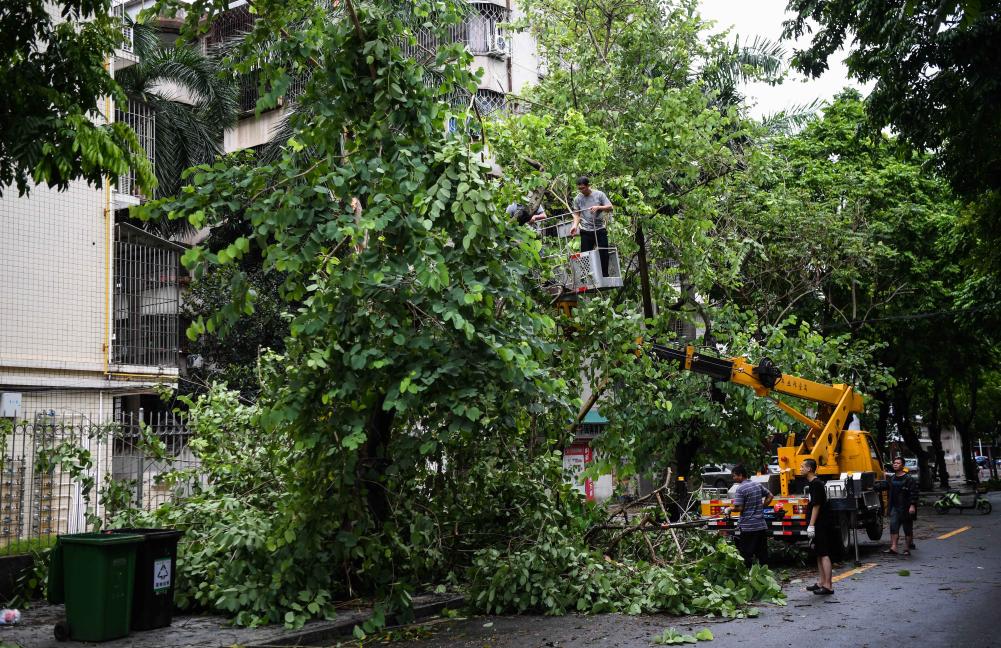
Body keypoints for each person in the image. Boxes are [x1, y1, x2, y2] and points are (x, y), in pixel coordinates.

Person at [724, 464, 773, 567]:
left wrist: (729, 509)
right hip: (760, 525)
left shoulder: (741, 488)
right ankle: (765, 575)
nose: (733, 478)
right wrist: (762, 506)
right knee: (762, 553)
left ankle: (748, 577)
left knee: (746, 554)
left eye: (734, 476)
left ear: (740, 475)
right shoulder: (757, 484)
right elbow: (770, 496)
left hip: (748, 527)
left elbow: (740, 508)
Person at [569, 176, 613, 277]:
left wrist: (599, 207)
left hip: (599, 228)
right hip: (586, 230)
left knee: (603, 252)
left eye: (583, 188)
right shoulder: (578, 199)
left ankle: (604, 275)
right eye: (579, 188)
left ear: (588, 186)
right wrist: (574, 226)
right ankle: (587, 276)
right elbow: (577, 214)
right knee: (585, 255)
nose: (581, 190)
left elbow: (610, 207)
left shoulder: (599, 194)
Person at [803, 458, 834, 595]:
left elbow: (816, 505)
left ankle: (828, 585)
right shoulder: (812, 483)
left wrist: (811, 525)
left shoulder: (816, 484)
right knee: (818, 553)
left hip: (820, 524)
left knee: (824, 553)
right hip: (817, 524)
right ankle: (821, 582)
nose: (800, 468)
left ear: (809, 469)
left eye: (802, 466)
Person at [884, 456, 919, 556]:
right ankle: (894, 547)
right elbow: (886, 488)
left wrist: (912, 506)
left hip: (906, 507)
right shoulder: (892, 478)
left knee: (907, 528)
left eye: (898, 463)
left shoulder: (909, 479)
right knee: (893, 526)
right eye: (894, 463)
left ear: (902, 465)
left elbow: (914, 493)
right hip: (894, 507)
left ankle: (907, 548)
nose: (895, 464)